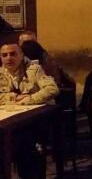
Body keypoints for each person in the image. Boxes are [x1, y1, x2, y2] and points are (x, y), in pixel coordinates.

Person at [0, 40, 59, 179]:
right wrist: (13, 97)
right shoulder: (1, 73)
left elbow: (52, 89)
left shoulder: (34, 69)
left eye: (13, 54)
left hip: (36, 121)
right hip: (12, 120)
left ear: (21, 55)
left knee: (25, 142)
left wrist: (29, 99)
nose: (9, 58)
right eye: (5, 55)